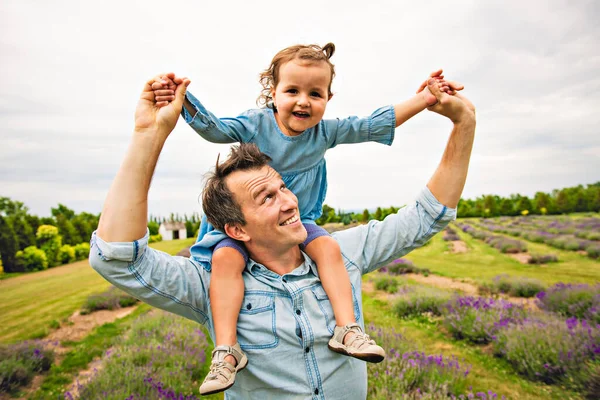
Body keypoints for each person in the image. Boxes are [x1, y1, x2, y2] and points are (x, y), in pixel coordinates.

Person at [89, 71, 476, 399]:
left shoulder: (340, 254)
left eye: (283, 188)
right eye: (266, 197)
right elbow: (117, 257)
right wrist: (148, 134)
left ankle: (350, 332)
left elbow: (427, 216)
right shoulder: (212, 284)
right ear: (236, 229)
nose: (289, 202)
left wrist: (464, 124)